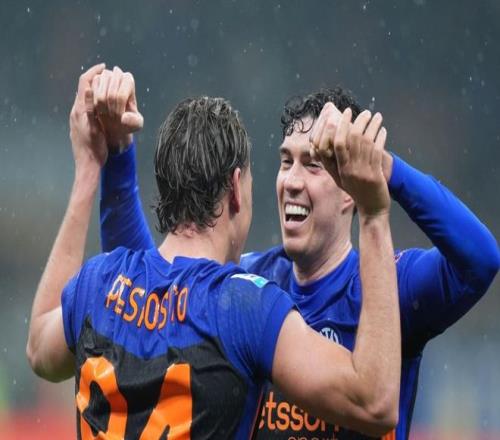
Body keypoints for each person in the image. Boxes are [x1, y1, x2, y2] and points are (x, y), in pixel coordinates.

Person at [100, 81, 499, 439]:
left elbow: (481, 260)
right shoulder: (246, 286)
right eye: (286, 161)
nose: (291, 181)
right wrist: (118, 158)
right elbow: (148, 288)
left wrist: (383, 168)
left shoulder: (387, 287)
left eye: (312, 165)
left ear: (350, 188)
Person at [26, 65, 402, 439]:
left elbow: (40, 350)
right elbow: (374, 403)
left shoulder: (98, 281)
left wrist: (90, 167)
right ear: (236, 188)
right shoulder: (243, 306)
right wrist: (373, 214)